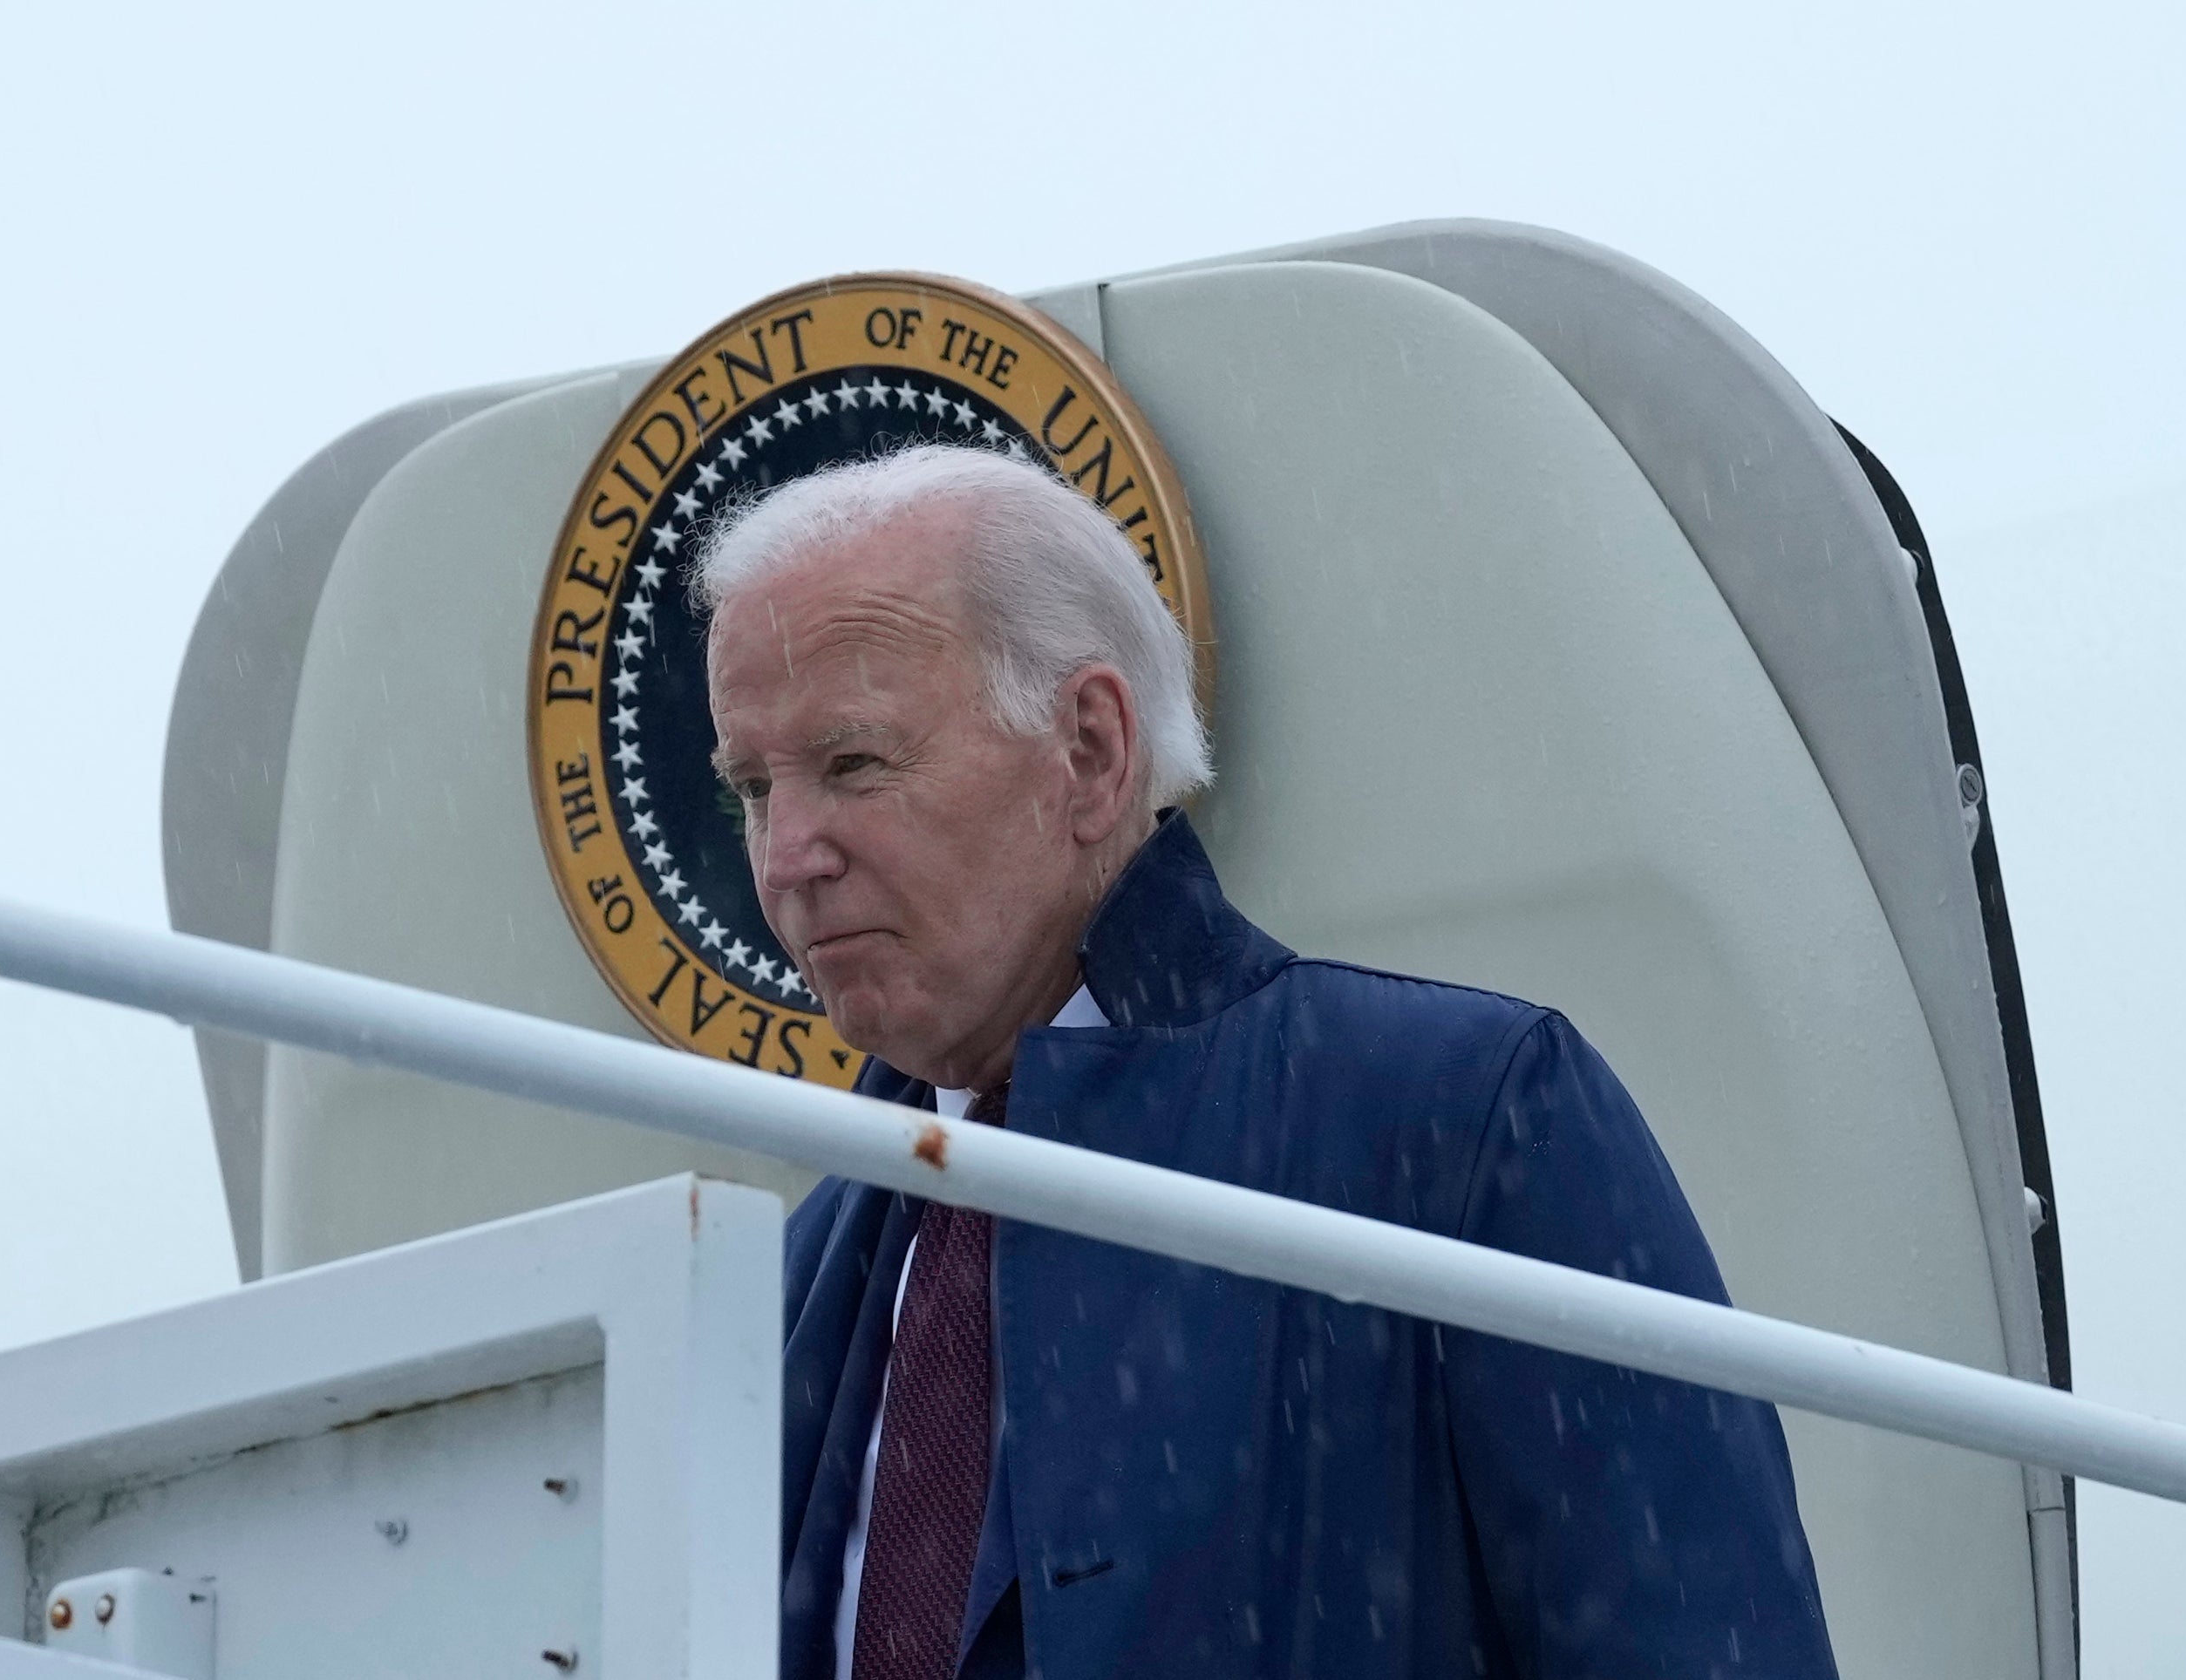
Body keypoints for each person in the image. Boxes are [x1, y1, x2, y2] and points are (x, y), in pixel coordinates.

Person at [697, 444, 1837, 1680]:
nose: (786, 858)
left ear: (1089, 749)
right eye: (754, 790)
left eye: (854, 764)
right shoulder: (785, 1278)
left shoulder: (1463, 1123)